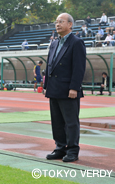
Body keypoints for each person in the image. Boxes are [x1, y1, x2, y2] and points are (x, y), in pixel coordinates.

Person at [44, 13, 86, 162]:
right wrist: (46, 86)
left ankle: (72, 150)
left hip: (69, 90)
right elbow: (50, 65)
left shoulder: (76, 42)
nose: (57, 24)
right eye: (56, 21)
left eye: (61, 21)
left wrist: (74, 87)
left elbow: (79, 68)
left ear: (70, 25)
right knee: (57, 121)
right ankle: (60, 148)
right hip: (54, 88)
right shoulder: (54, 43)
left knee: (71, 122)